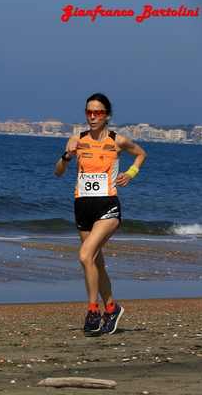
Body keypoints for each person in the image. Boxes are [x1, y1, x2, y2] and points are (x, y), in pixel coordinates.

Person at [54, 93, 146, 336]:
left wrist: (131, 173)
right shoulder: (76, 139)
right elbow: (58, 172)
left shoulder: (118, 140)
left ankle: (93, 310)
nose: (93, 117)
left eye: (98, 113)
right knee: (95, 261)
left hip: (108, 206)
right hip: (82, 206)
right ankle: (112, 308)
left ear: (107, 115)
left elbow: (141, 153)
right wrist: (67, 156)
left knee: (85, 255)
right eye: (89, 112)